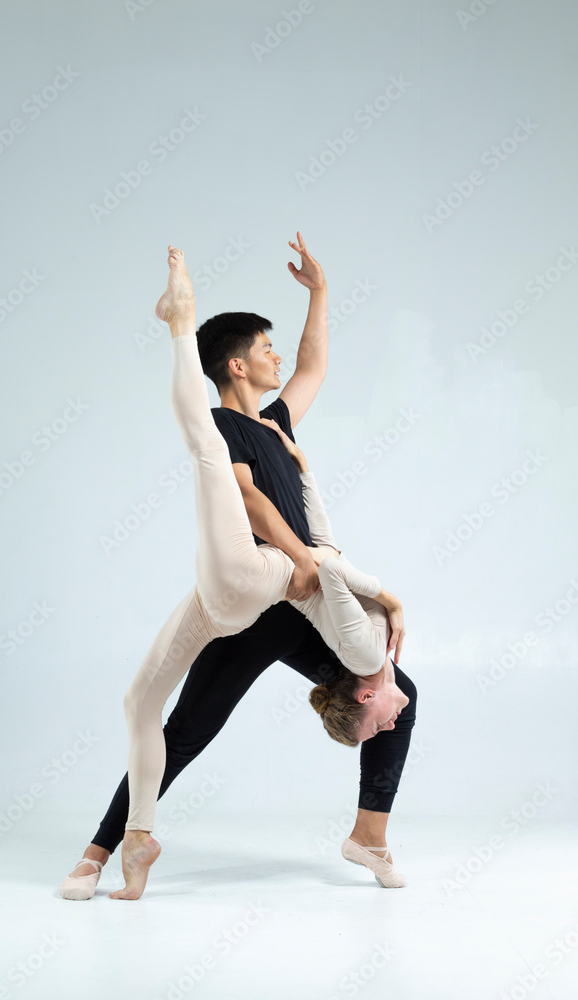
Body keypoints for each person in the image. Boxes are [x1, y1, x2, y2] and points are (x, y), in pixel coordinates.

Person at [59, 234, 417, 902]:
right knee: (186, 730)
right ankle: (101, 850)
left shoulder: (276, 423)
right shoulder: (225, 428)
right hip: (270, 595)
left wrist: (319, 294)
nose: (275, 355)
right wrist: (302, 557)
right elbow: (249, 502)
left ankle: (368, 835)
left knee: (401, 692)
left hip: (308, 603)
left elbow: (312, 367)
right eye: (263, 348)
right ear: (235, 366)